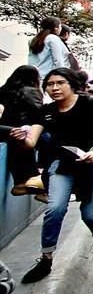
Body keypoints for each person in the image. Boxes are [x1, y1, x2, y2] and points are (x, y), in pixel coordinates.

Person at [13, 68, 93, 284]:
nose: (55, 88)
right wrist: (21, 137)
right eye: (50, 84)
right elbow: (31, 141)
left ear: (71, 84)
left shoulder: (92, 103)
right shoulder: (46, 111)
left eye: (60, 82)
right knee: (55, 208)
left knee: (90, 214)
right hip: (63, 165)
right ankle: (46, 258)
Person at [0, 65, 45, 196]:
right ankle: (34, 182)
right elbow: (38, 113)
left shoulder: (3, 90)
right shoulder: (32, 91)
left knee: (20, 137)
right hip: (20, 129)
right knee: (26, 138)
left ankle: (26, 183)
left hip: (4, 129)